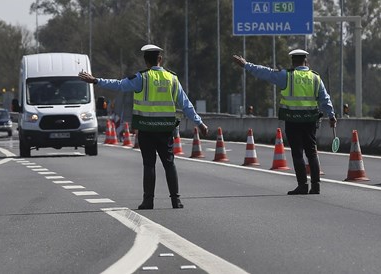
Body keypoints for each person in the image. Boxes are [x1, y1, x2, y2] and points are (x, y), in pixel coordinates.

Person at [79, 44, 209, 209]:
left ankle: (148, 201)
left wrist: (96, 80)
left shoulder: (142, 77)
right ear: (160, 59)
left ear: (145, 61)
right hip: (165, 129)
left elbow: (118, 85)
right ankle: (176, 200)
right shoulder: (172, 78)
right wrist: (200, 123)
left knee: (149, 164)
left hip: (146, 129)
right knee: (169, 164)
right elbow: (186, 105)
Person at [233, 49, 337, 195]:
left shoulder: (287, 76)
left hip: (292, 120)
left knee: (297, 153)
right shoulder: (315, 78)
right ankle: (316, 186)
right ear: (305, 61)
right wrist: (331, 116)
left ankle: (302, 185)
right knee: (312, 153)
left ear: (293, 62)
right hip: (310, 121)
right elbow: (325, 99)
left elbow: (266, 73)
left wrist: (246, 65)